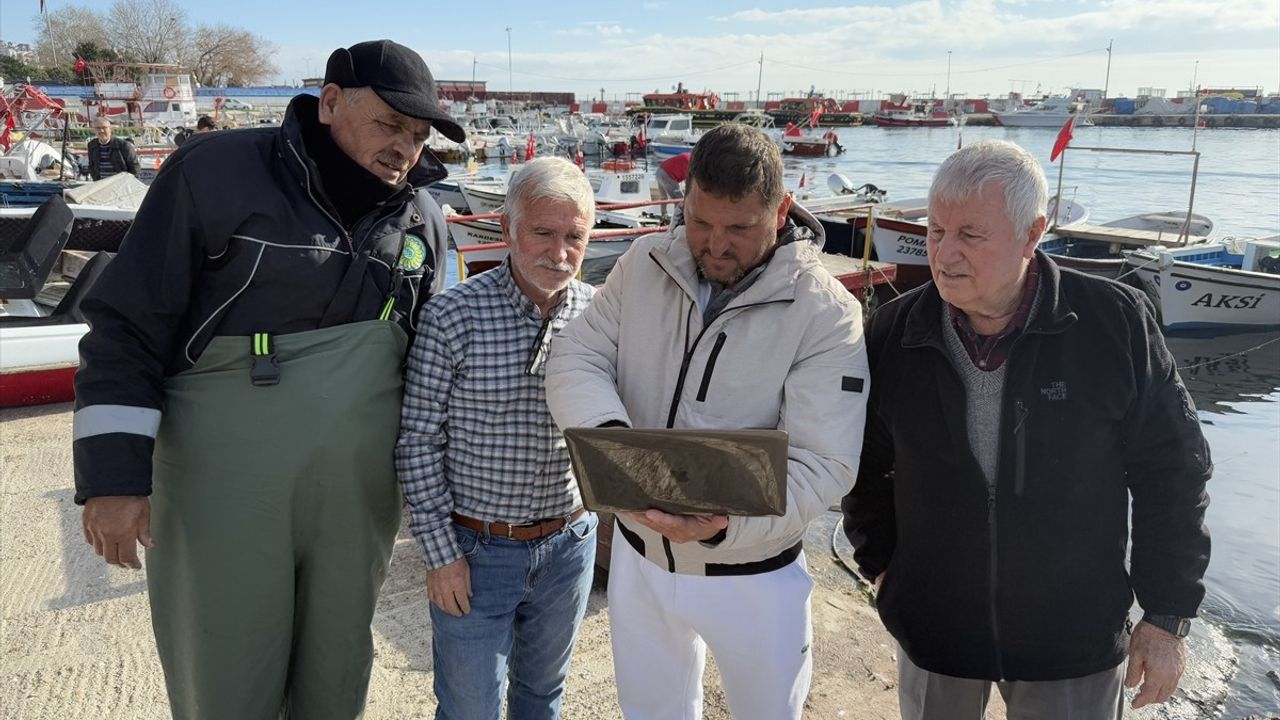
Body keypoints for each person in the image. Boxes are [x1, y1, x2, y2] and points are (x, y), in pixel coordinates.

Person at [73, 39, 464, 719]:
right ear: (331, 102)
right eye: (391, 125)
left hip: (357, 499)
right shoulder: (214, 173)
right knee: (225, 666)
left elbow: (435, 366)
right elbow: (126, 324)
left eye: (419, 133)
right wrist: (113, 477)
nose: (406, 148)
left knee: (338, 669)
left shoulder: (424, 219)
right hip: (221, 492)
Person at [841, 140, 1212, 720]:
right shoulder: (894, 330)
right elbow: (862, 463)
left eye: (970, 234)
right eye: (936, 231)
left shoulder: (1115, 324)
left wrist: (1166, 614)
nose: (945, 253)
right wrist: (884, 566)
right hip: (935, 628)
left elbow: (1175, 473)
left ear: (1032, 232)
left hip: (1072, 637)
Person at [545, 123, 870, 719]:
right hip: (640, 562)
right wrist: (616, 446)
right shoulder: (643, 261)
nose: (715, 245)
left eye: (740, 228)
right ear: (684, 201)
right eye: (699, 222)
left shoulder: (827, 313)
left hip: (755, 575)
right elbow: (577, 356)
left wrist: (724, 526)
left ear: (782, 211)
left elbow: (825, 462)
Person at [396, 156, 598, 720]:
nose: (560, 254)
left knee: (543, 699)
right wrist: (440, 557)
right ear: (507, 229)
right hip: (476, 551)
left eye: (574, 238)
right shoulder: (452, 316)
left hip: (568, 545)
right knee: (469, 708)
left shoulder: (600, 316)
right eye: (543, 233)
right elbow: (416, 441)